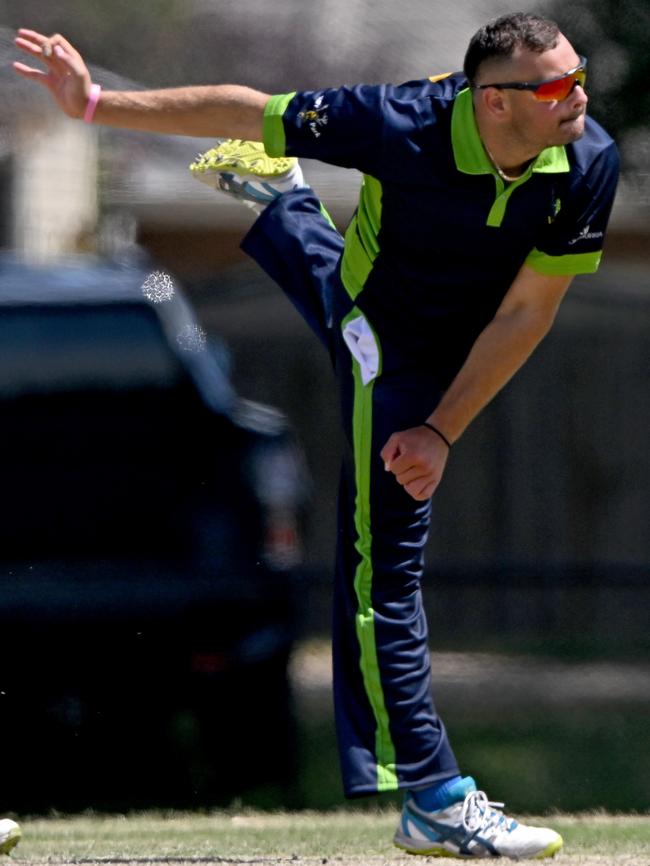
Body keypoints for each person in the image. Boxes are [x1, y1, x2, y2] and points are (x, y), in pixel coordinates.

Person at [14, 12, 619, 859]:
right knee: (386, 568)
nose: (579, 96)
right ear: (493, 102)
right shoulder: (397, 121)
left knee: (337, 309)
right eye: (557, 85)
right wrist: (96, 103)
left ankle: (284, 200)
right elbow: (243, 108)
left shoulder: (588, 158)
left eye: (579, 74)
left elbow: (526, 314)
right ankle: (435, 795)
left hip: (454, 349)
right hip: (390, 344)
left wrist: (443, 430)